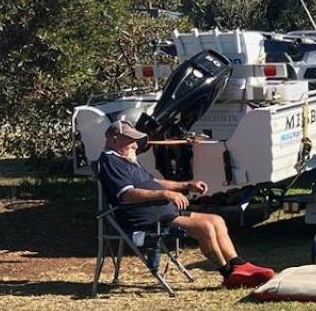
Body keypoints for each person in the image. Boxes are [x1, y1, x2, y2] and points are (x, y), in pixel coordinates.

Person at [96, 119, 273, 289]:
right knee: (205, 228)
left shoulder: (127, 159)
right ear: (114, 140)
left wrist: (186, 185)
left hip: (161, 211)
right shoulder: (110, 162)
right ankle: (228, 274)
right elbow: (127, 195)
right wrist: (164, 194)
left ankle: (238, 265)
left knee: (216, 220)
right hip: (144, 218)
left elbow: (154, 182)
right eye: (131, 141)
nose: (136, 145)